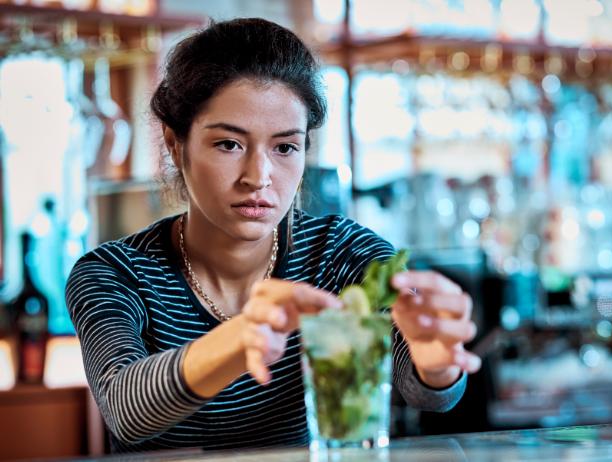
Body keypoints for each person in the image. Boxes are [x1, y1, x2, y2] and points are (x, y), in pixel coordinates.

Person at [66, 17, 481, 453]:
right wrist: (240, 336)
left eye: (285, 147)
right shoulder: (114, 274)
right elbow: (124, 411)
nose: (259, 177)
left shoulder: (341, 256)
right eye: (229, 144)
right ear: (175, 143)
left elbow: (429, 394)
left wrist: (435, 363)